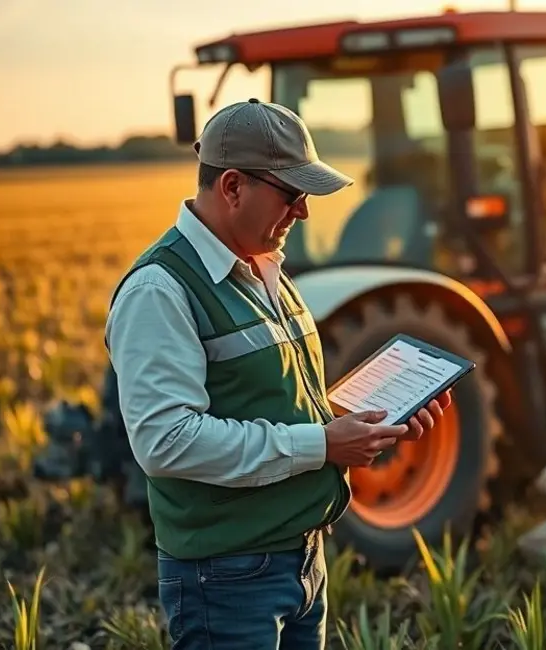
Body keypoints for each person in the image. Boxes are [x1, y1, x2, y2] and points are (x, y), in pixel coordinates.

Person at [104, 98, 451, 650]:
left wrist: (371, 426)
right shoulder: (158, 291)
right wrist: (323, 444)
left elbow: (278, 400)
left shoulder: (266, 267)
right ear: (233, 187)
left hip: (301, 561)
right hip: (227, 578)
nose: (304, 212)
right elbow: (166, 442)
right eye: (292, 194)